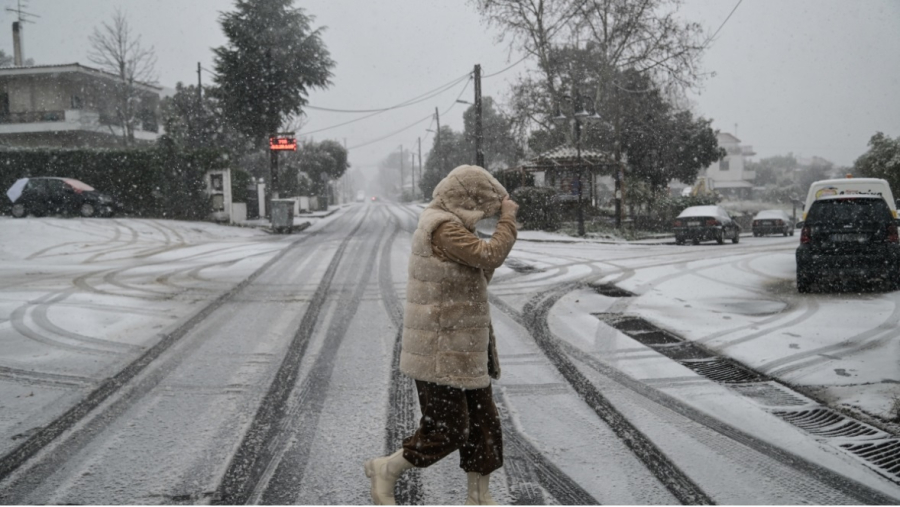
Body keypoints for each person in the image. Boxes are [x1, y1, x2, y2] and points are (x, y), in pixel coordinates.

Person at [365, 165, 519, 505]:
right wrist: (508, 219)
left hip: (465, 348)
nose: (482, 215)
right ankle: (386, 469)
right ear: (465, 199)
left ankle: (479, 498)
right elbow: (491, 254)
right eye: (480, 206)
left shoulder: (451, 224)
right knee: (447, 430)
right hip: (440, 351)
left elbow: (477, 272)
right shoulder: (442, 227)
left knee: (484, 427)